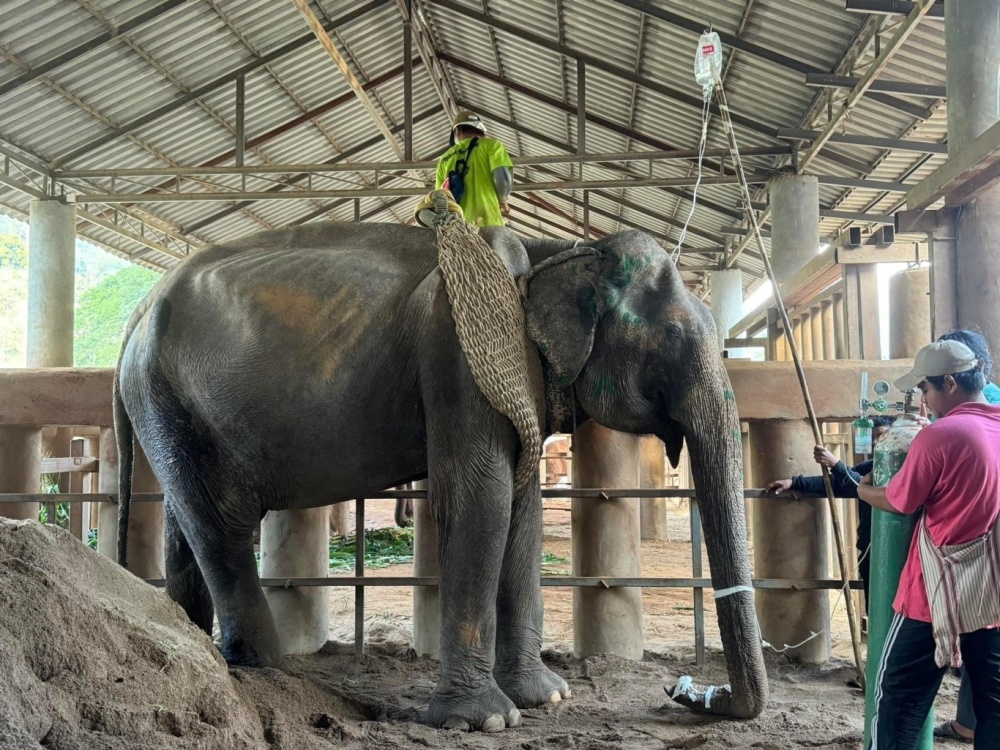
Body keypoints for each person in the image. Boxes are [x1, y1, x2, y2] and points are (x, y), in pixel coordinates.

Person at [858, 339, 1000, 750]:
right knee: (994, 707)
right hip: (991, 598)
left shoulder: (940, 436)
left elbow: (900, 500)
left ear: (950, 383)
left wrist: (865, 489)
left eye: (926, 389)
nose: (924, 399)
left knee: (898, 702)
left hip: (933, 595)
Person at [933, 329, 1000, 744]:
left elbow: (903, 494)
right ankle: (968, 723)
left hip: (980, 552)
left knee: (983, 645)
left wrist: (854, 481)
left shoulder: (971, 413)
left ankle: (968, 724)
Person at [766, 415, 897, 617]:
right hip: (871, 550)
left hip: (897, 551)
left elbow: (859, 488)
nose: (875, 442)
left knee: (895, 611)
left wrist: (836, 465)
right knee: (876, 611)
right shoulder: (871, 466)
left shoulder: (901, 468)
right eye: (872, 437)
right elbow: (839, 483)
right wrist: (794, 482)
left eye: (880, 435)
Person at [431, 110, 513, 228]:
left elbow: (440, 197)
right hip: (489, 221)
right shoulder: (492, 145)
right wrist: (503, 202)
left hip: (458, 227)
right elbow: (504, 180)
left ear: (457, 131)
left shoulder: (443, 160)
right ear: (481, 130)